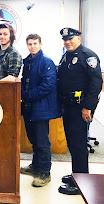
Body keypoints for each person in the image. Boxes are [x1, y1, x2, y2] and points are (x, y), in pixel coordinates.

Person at [57, 27, 102, 195]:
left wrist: (87, 108)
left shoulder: (88, 56)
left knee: (78, 144)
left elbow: (96, 83)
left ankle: (81, 182)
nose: (67, 42)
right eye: (65, 39)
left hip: (80, 108)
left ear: (79, 38)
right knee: (72, 143)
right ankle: (77, 173)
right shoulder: (66, 56)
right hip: (68, 106)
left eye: (71, 38)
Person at [20, 34, 61, 187]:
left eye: (35, 43)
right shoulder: (26, 62)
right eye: (30, 44)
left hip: (41, 107)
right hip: (28, 108)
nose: (33, 46)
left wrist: (27, 95)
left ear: (40, 44)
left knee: (42, 141)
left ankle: (45, 172)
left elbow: (48, 86)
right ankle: (35, 166)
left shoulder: (46, 62)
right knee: (33, 139)